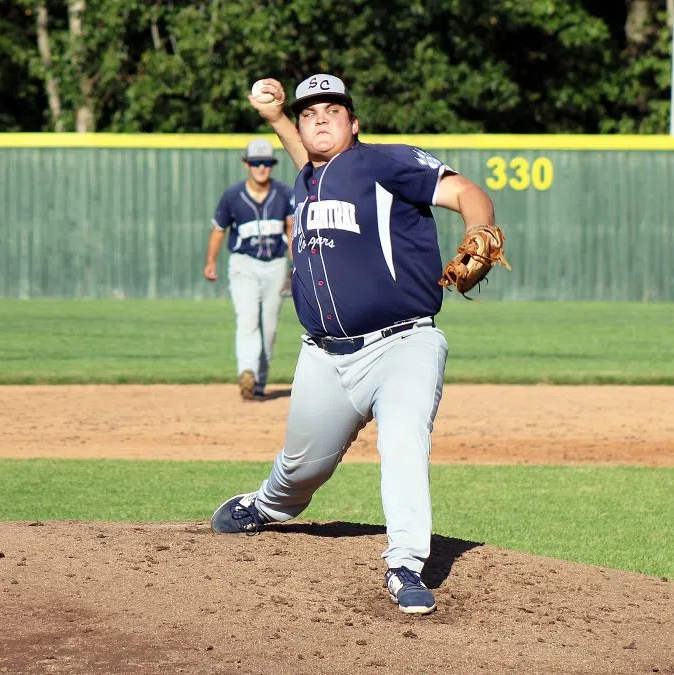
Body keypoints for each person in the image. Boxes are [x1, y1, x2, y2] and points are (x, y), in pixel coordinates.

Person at [210, 74, 503, 616]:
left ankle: (406, 563)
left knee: (403, 438)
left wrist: (480, 231)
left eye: (332, 109)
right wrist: (275, 118)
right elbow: (310, 158)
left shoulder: (384, 163)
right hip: (324, 354)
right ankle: (269, 506)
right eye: (309, 112)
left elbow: (467, 193)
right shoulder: (307, 179)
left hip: (403, 345)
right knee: (302, 468)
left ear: (354, 122)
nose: (320, 117)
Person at [204, 138, 295, 401]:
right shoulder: (233, 196)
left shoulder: (284, 193)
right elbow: (218, 230)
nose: (261, 167)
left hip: (276, 266)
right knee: (247, 319)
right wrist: (210, 261)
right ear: (246, 164)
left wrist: (296, 263)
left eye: (266, 162)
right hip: (243, 264)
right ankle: (247, 370)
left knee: (268, 328)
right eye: (256, 163)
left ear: (272, 165)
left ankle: (257, 383)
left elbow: (291, 229)